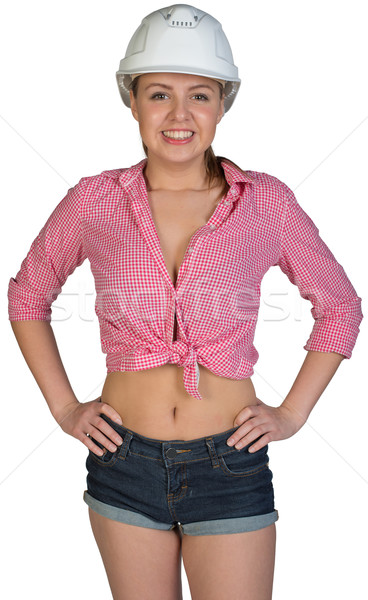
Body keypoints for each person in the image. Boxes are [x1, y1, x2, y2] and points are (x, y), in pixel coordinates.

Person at [7, 4, 363, 600]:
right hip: (123, 459)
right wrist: (66, 409)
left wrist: (293, 414)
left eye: (199, 95)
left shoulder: (265, 202)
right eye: (158, 95)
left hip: (231, 462)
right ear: (132, 101)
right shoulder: (94, 200)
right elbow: (28, 292)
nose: (179, 114)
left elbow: (341, 306)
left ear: (223, 104)